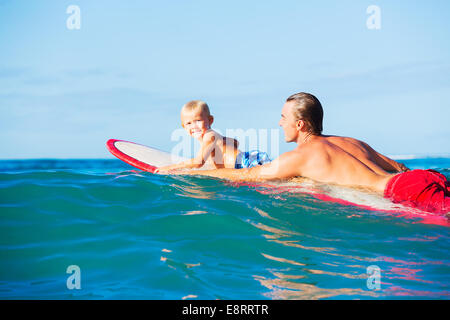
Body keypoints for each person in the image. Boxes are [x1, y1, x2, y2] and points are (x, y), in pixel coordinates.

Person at [166, 93, 450, 215]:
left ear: (300, 124)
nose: (279, 123)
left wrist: (197, 172)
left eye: (283, 117)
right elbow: (399, 166)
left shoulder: (300, 156)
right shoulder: (351, 141)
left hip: (407, 196)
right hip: (421, 178)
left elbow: (248, 176)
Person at [156, 100, 271, 173]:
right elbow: (235, 142)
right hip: (246, 160)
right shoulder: (214, 137)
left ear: (210, 120)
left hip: (244, 164)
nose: (194, 126)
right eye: (189, 123)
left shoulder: (209, 135)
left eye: (198, 121)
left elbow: (198, 162)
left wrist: (170, 168)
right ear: (184, 127)